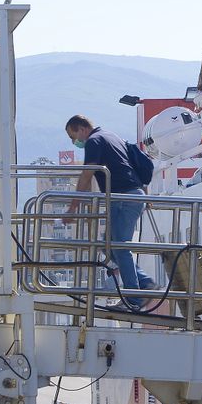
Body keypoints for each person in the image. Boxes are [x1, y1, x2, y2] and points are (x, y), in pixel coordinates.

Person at [66, 115, 155, 309]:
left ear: (81, 129)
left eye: (74, 137)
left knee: (119, 247)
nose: (76, 143)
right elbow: (130, 165)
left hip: (122, 198)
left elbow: (86, 176)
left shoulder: (94, 141)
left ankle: (134, 299)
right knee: (110, 247)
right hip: (132, 196)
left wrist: (72, 208)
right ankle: (144, 282)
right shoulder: (112, 136)